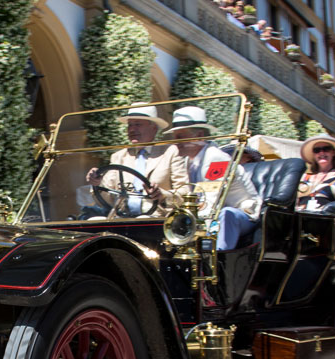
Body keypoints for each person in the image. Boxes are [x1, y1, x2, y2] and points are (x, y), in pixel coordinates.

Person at [164, 106, 261, 251]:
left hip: (242, 214)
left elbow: (211, 201)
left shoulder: (216, 158)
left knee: (226, 214)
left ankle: (217, 256)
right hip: (215, 212)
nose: (176, 142)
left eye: (181, 137)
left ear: (200, 136)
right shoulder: (188, 160)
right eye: (175, 137)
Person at [85, 104, 188, 216]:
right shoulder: (119, 156)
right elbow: (107, 199)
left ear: (154, 128)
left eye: (138, 125)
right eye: (130, 125)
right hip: (123, 219)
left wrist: (162, 195)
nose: (132, 130)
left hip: (157, 219)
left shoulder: (170, 152)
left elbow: (184, 192)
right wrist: (97, 182)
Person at [296, 135, 335, 211]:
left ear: (333, 153)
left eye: (326, 149)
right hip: (300, 218)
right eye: (317, 150)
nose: (321, 153)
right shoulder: (304, 177)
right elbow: (295, 203)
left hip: (327, 219)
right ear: (314, 155)